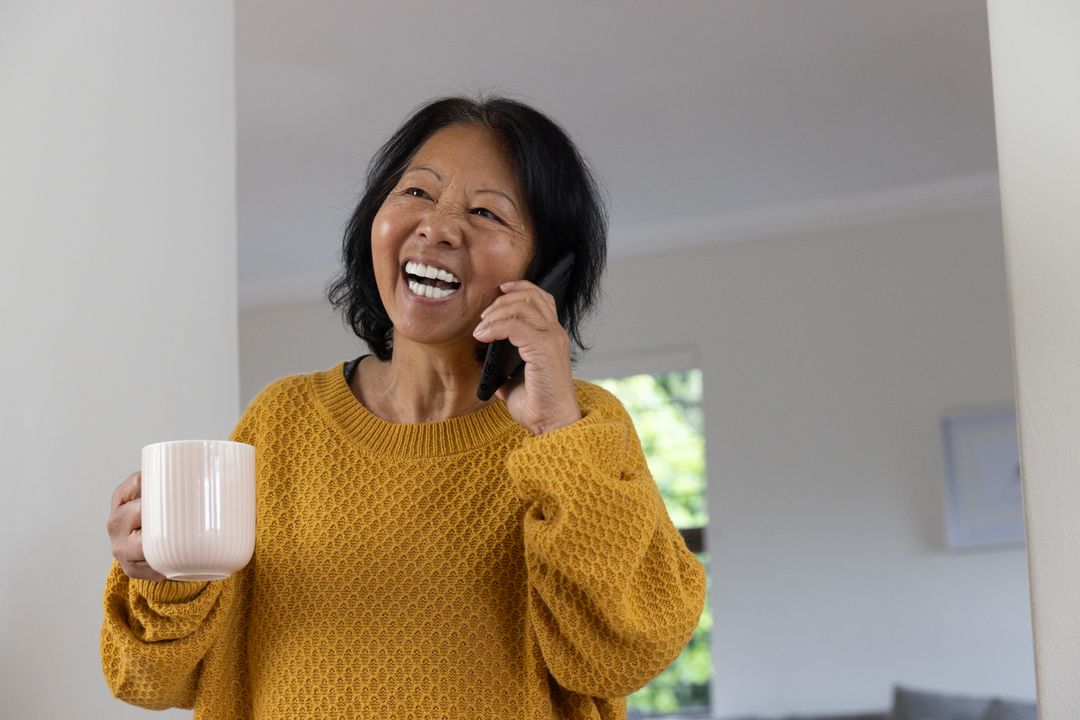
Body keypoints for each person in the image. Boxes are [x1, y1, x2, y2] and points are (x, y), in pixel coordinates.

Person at [102, 95, 706, 720]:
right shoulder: (281, 421)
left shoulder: (582, 429)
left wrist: (555, 430)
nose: (438, 227)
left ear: (546, 269)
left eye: (485, 212)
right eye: (417, 192)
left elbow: (622, 655)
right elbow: (150, 681)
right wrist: (157, 575)